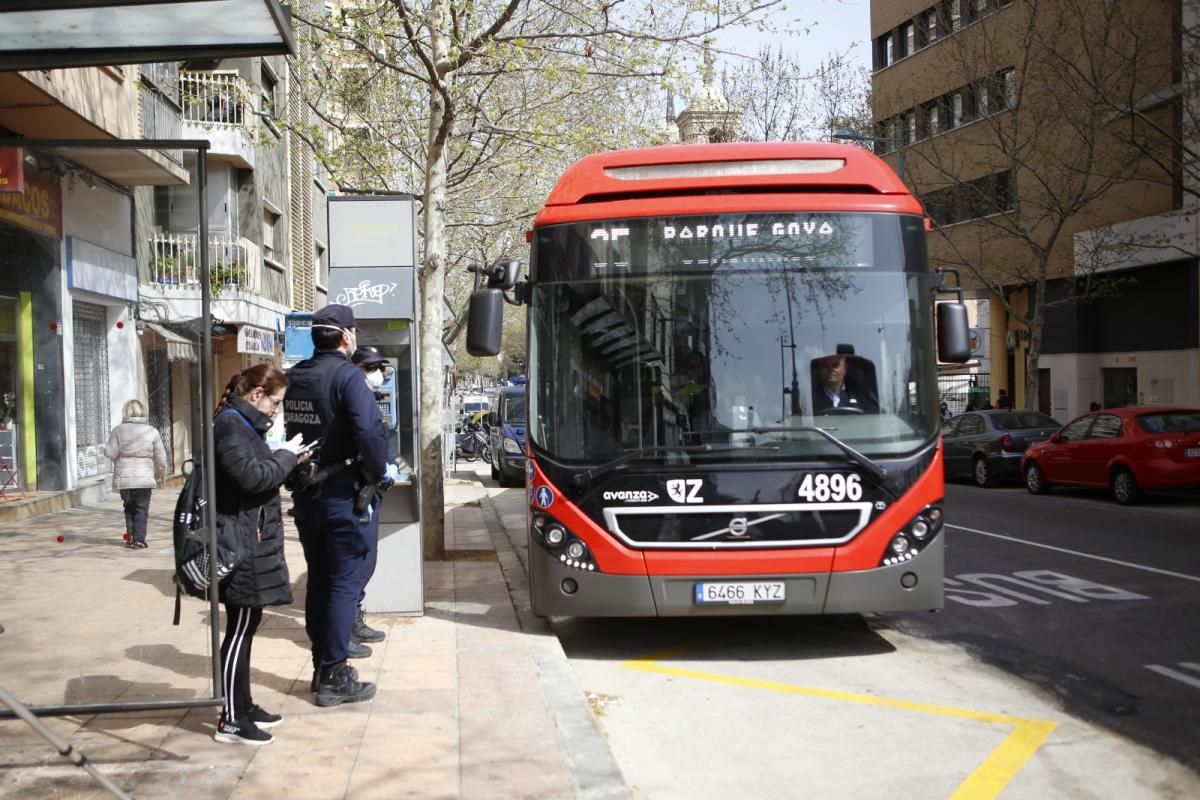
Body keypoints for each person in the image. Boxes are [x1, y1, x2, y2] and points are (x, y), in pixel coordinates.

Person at [284, 304, 387, 707]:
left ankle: (321, 664)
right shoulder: (349, 378)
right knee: (345, 582)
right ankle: (334, 672)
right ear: (347, 337)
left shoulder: (296, 377)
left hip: (307, 494)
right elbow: (369, 431)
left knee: (320, 580)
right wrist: (378, 472)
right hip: (344, 495)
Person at [211, 365, 311, 746]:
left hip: (248, 540)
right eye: (275, 402)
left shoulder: (243, 425)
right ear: (256, 394)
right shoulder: (232, 426)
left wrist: (289, 458)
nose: (276, 411)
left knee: (246, 628)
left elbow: (257, 473)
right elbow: (252, 477)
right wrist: (285, 456)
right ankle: (231, 720)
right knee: (238, 632)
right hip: (239, 544)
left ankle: (243, 704)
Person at [347, 345, 393, 646]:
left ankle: (353, 618)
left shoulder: (367, 397)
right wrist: (381, 471)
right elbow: (366, 439)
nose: (376, 374)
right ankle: (348, 625)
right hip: (359, 488)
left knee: (367, 559)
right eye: (369, 367)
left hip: (368, 486)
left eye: (379, 368)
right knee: (358, 561)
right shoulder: (354, 397)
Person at [104, 399, 168, 549]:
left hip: (124, 478)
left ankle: (131, 536)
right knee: (141, 508)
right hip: (144, 477)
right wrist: (161, 473)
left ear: (126, 412)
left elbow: (109, 452)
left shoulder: (118, 430)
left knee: (128, 507)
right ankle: (139, 539)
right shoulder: (151, 431)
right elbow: (161, 456)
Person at [812, 354, 877, 413]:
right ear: (819, 369)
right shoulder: (810, 396)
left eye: (835, 365)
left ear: (845, 367)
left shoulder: (862, 394)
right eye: (825, 366)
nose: (830, 370)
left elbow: (876, 419)